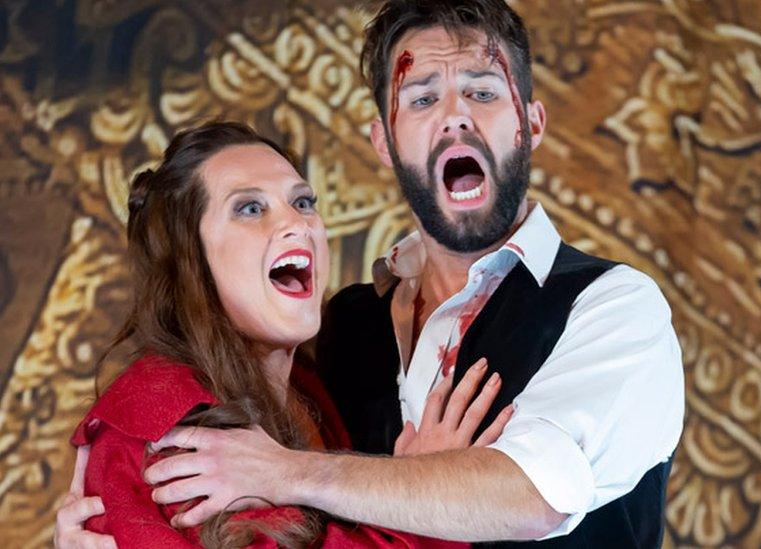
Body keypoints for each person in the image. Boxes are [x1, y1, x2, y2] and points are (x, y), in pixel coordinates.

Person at [58, 1, 685, 547]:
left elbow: (536, 494)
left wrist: (284, 471)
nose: (456, 115)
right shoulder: (337, 332)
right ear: (384, 140)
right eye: (421, 98)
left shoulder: (613, 307)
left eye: (485, 91)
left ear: (531, 125)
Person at [57, 121, 508, 548]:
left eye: (303, 202)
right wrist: (427, 496)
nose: (297, 223)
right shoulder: (164, 423)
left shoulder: (307, 385)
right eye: (250, 208)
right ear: (190, 259)